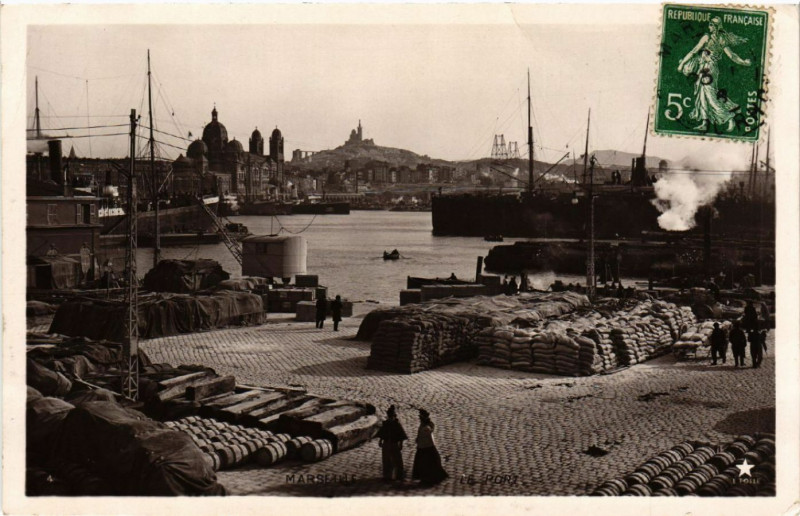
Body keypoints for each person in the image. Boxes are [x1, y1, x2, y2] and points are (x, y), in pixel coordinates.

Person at [677, 17, 751, 132]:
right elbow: (732, 56)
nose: (709, 27)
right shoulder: (720, 39)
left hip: (708, 70)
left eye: (711, 25)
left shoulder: (710, 38)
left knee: (710, 96)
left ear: (716, 27)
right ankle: (705, 122)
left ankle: (729, 117)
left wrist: (682, 64)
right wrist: (744, 62)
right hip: (706, 69)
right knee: (703, 95)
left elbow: (694, 51)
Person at [412, 409, 448, 486]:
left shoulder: (427, 426)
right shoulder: (424, 424)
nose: (419, 419)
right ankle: (425, 477)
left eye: (420, 417)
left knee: (427, 462)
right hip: (424, 445)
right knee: (425, 462)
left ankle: (429, 477)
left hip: (426, 446)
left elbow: (428, 431)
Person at [376, 405, 408, 482]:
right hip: (386, 443)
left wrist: (401, 444)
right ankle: (387, 476)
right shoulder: (386, 423)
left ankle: (399, 475)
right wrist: (380, 440)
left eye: (391, 416)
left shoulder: (397, 424)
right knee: (386, 460)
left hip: (394, 443)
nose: (390, 418)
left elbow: (401, 434)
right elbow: (383, 433)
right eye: (389, 416)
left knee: (397, 460)